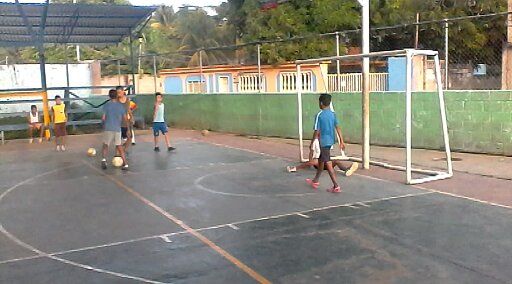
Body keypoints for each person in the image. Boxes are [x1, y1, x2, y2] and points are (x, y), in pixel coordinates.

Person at [306, 93, 344, 193]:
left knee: (328, 163)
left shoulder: (319, 115)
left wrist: (312, 142)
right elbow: (338, 128)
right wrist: (342, 141)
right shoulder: (333, 114)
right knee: (321, 161)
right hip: (330, 140)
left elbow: (316, 131)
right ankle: (315, 181)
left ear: (321, 103)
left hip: (323, 142)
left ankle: (336, 186)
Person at [287, 134, 358, 176]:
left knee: (336, 161)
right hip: (317, 162)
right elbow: (311, 152)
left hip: (325, 162)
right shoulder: (315, 142)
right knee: (314, 161)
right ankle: (295, 168)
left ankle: (347, 170)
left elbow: (328, 152)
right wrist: (310, 161)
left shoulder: (327, 142)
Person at [101, 89, 129, 170]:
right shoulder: (120, 106)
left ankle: (104, 160)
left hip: (108, 127)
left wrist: (103, 124)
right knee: (119, 146)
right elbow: (125, 118)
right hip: (117, 128)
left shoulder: (106, 105)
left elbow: (103, 118)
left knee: (105, 145)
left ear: (109, 96)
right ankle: (125, 164)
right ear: (116, 96)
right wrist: (127, 128)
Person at [116, 86, 132, 152]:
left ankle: (124, 150)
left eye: (119, 92)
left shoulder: (127, 100)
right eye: (117, 93)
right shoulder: (116, 101)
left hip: (126, 122)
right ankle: (117, 153)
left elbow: (129, 110)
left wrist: (131, 117)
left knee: (129, 137)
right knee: (118, 140)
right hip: (118, 122)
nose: (118, 94)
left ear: (123, 92)